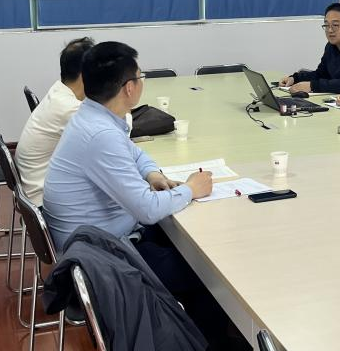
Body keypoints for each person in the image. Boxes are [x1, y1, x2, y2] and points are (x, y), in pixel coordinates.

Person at [43, 41, 213, 288]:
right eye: (140, 77)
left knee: (187, 240)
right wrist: (192, 189)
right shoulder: (101, 134)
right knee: (204, 273)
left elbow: (136, 153)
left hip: (99, 240)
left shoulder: (93, 115)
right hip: (101, 259)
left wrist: (153, 174)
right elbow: (147, 209)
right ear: (130, 88)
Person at [15, 36, 94, 205]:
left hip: (36, 188)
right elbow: (114, 134)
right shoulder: (68, 107)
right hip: (43, 199)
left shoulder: (58, 92)